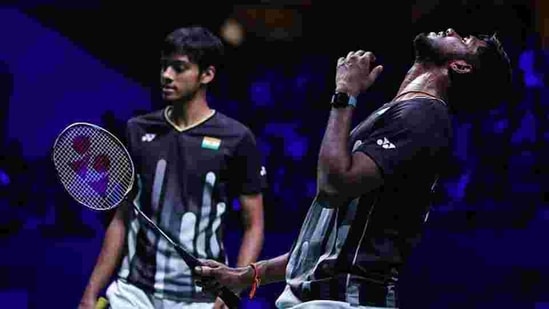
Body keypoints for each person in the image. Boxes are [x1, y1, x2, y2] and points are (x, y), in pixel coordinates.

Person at [193, 28, 512, 308]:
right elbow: (326, 247)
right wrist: (245, 275)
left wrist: (345, 92)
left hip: (343, 302)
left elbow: (333, 186)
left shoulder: (424, 116)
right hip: (325, 299)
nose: (453, 30)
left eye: (465, 40)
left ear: (460, 66)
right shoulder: (406, 114)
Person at [78, 26, 267, 309]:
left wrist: (233, 289)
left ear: (207, 75)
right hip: (134, 291)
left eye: (179, 68)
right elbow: (123, 217)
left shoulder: (237, 138)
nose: (166, 75)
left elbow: (254, 225)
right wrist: (90, 293)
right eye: (165, 66)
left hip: (200, 296)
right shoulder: (137, 129)